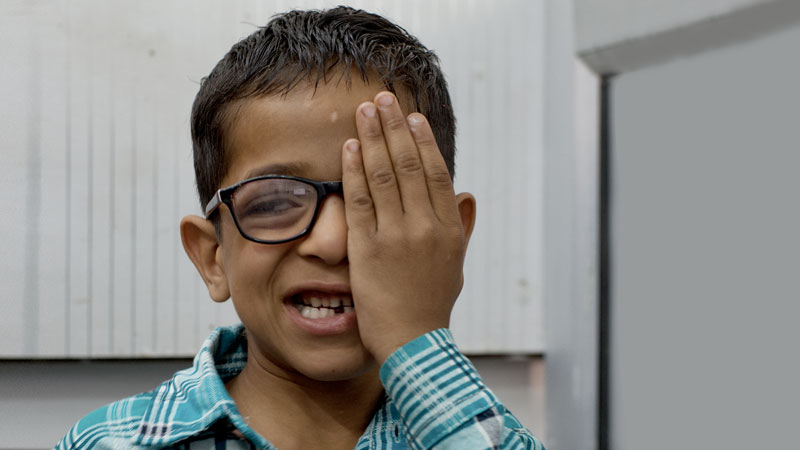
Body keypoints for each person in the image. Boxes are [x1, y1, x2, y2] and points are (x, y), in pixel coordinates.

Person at [56, 6, 543, 449]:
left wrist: (415, 340)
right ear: (212, 257)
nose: (331, 242)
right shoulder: (113, 443)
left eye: (378, 197)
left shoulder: (479, 432)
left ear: (451, 240)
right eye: (272, 202)